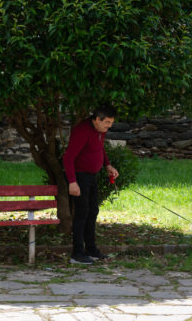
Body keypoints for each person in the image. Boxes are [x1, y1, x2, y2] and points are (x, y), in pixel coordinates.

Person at [62, 104, 119, 264]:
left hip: (92, 176)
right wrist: (72, 182)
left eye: (111, 123)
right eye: (107, 122)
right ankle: (77, 253)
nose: (109, 126)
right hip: (79, 177)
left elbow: (100, 149)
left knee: (93, 211)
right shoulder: (82, 131)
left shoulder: (100, 131)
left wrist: (107, 165)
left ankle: (91, 249)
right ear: (96, 119)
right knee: (81, 214)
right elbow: (68, 158)